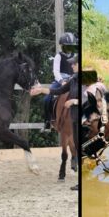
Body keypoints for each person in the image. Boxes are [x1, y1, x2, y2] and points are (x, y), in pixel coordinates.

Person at [32, 55, 79, 191]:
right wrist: (41, 90)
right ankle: (50, 120)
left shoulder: (84, 80)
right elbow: (57, 91)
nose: (71, 66)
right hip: (74, 116)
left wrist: (75, 101)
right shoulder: (73, 80)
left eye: (74, 64)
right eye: (71, 64)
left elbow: (89, 96)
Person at [43, 32, 78, 132]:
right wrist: (62, 81)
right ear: (63, 46)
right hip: (60, 80)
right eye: (66, 46)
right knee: (46, 99)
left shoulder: (75, 56)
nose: (68, 49)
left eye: (70, 46)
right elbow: (56, 71)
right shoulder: (58, 56)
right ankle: (48, 121)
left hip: (73, 80)